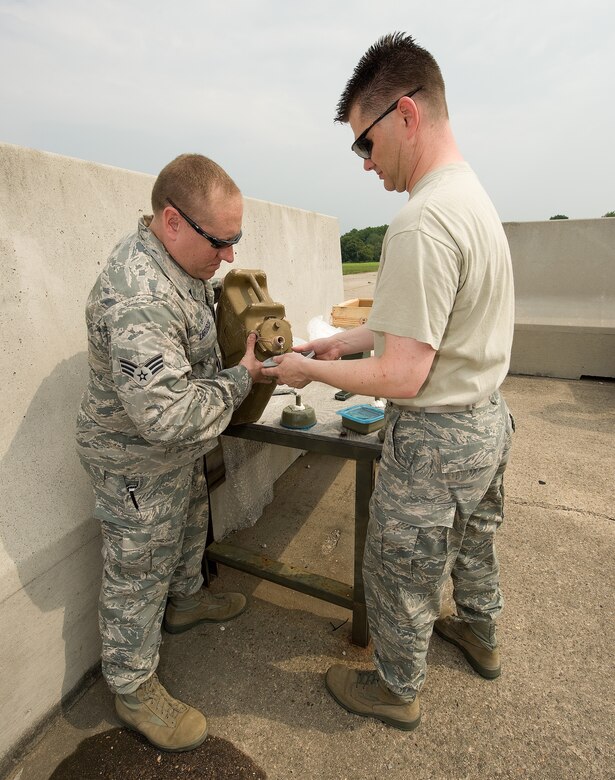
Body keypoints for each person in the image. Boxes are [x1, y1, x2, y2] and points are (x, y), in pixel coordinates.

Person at [262, 32, 515, 732]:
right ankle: (480, 633)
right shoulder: (469, 197)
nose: (365, 164)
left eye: (364, 144)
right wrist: (343, 340)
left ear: (405, 114)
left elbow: (403, 375)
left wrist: (308, 368)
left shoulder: (420, 221)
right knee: (474, 541)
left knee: (401, 569)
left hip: (436, 438)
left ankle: (395, 687)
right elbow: (434, 321)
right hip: (485, 421)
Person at [76, 153, 267, 751]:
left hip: (173, 454)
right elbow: (165, 414)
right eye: (222, 241)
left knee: (186, 527)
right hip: (135, 461)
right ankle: (132, 686)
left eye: (237, 240)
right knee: (138, 567)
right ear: (173, 221)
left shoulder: (182, 265)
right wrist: (243, 379)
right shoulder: (138, 297)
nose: (229, 255)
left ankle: (183, 602)